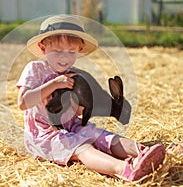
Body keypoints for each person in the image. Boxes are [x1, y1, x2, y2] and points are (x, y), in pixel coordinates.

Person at [16, 14, 166, 182]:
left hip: (72, 126)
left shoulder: (72, 73)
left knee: (102, 136)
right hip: (44, 135)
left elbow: (77, 112)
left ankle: (147, 154)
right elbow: (23, 102)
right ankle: (125, 169)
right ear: (43, 48)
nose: (65, 57)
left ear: (79, 51)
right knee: (83, 147)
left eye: (71, 51)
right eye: (58, 51)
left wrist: (80, 105)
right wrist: (54, 84)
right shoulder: (35, 69)